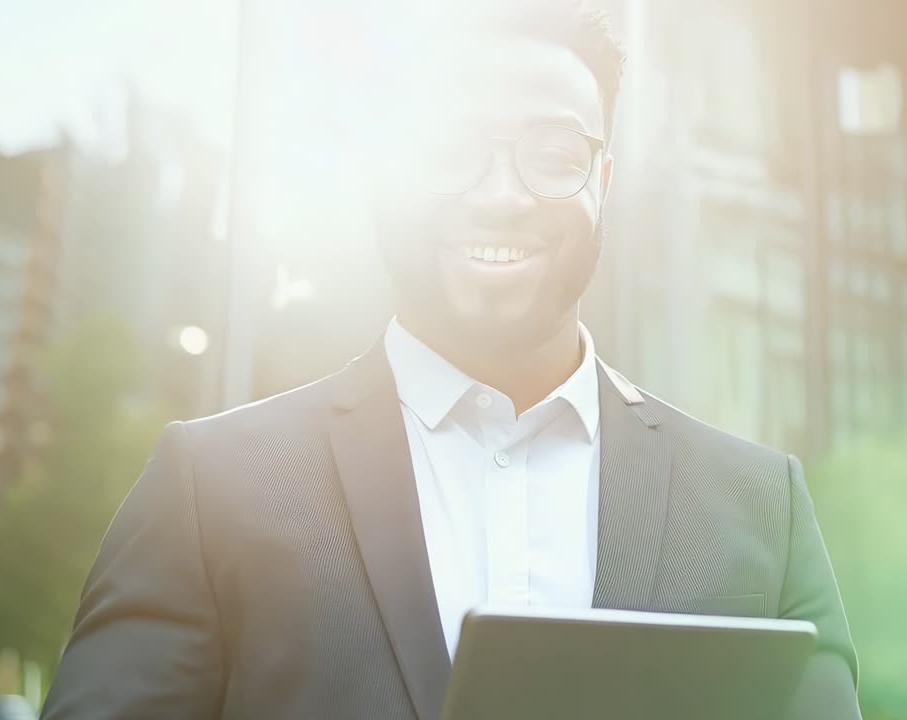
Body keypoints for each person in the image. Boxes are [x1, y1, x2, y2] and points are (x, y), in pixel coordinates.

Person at [42, 2, 860, 718]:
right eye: (449, 148)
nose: (499, 193)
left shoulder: (760, 510)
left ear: (603, 182)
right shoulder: (210, 489)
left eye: (551, 152)